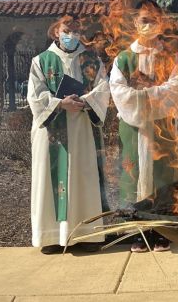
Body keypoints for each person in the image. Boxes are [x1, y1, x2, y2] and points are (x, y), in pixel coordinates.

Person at [27, 15, 110, 254]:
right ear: (56, 32)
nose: (71, 34)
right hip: (53, 131)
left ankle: (87, 235)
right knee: (50, 177)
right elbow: (34, 95)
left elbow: (103, 87)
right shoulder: (41, 61)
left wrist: (84, 101)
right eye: (67, 30)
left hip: (82, 127)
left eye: (76, 30)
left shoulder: (90, 58)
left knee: (83, 176)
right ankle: (51, 236)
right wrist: (59, 104)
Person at [109, 0, 178, 253]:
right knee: (135, 177)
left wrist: (147, 94)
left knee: (162, 178)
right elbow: (118, 91)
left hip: (161, 127)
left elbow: (175, 87)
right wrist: (145, 97)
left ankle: (162, 231)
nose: (149, 25)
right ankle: (139, 232)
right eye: (144, 20)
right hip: (133, 128)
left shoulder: (169, 56)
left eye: (153, 20)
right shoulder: (124, 58)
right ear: (135, 23)